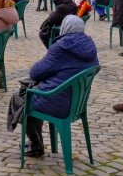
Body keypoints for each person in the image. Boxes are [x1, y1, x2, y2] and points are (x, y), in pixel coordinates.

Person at [22, 15, 98, 158]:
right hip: (77, 102)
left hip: (58, 100)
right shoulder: (89, 46)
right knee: (34, 92)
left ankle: (36, 143)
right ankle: (37, 142)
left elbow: (36, 73)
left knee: (23, 98)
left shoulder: (61, 47)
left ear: (65, 28)